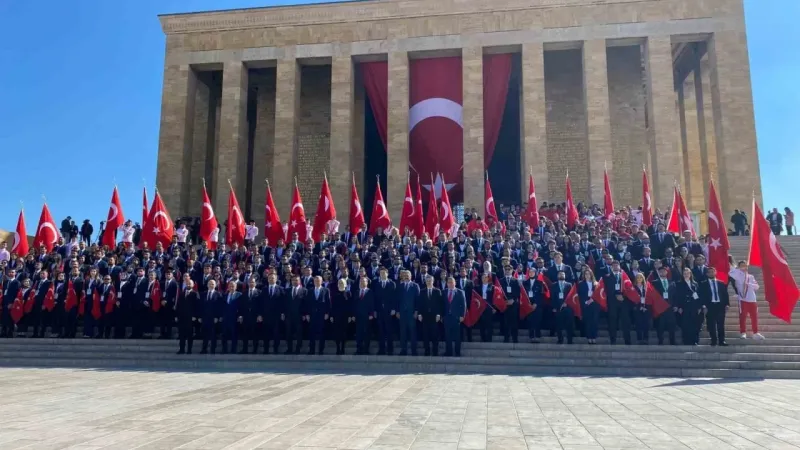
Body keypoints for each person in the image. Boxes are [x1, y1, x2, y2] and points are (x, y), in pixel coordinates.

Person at [729, 259, 763, 340]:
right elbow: (730, 272)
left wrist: (748, 284)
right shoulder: (737, 275)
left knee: (754, 317)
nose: (744, 267)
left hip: (752, 299)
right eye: (742, 266)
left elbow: (757, 287)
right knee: (743, 317)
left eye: (745, 266)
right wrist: (737, 269)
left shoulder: (750, 276)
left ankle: (755, 332)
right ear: (739, 267)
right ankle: (743, 332)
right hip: (743, 299)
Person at [699, 266, 729, 346]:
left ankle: (722, 341)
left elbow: (725, 295)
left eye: (713, 272)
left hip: (720, 306)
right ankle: (713, 340)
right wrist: (703, 306)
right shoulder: (703, 284)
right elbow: (702, 296)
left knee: (720, 324)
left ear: (715, 272)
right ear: (707, 274)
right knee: (711, 324)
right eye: (709, 272)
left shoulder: (721, 283)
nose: (711, 273)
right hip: (710, 306)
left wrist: (727, 304)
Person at [603, 261, 631, 345]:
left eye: (617, 265)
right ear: (611, 267)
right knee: (612, 321)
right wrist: (616, 295)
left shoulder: (624, 276)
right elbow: (606, 289)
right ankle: (613, 340)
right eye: (614, 265)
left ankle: (627, 340)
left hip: (623, 302)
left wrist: (623, 296)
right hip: (612, 302)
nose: (615, 267)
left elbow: (629, 288)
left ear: (619, 266)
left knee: (625, 321)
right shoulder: (607, 277)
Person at [417, 275, 442, 356]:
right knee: (425, 335)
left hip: (435, 316)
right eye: (427, 281)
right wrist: (419, 314)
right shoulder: (422, 291)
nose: (428, 282)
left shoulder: (437, 291)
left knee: (435, 335)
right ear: (425, 282)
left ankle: (435, 351)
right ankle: (427, 351)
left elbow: (440, 304)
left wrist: (439, 314)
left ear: (433, 281)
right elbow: (419, 304)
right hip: (425, 316)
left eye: (430, 281)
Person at [373, 267, 396, 355]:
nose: (382, 274)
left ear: (387, 274)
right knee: (381, 331)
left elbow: (394, 297)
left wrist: (393, 308)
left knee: (389, 330)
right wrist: (375, 310)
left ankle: (390, 349)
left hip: (389, 311)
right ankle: (381, 349)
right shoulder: (377, 284)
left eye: (384, 273)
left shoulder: (392, 284)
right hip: (379, 311)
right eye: (381, 273)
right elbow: (375, 298)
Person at [397, 270, 420, 356]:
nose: (406, 276)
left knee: (413, 332)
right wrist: (397, 311)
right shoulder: (400, 286)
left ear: (411, 276)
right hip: (402, 313)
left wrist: (416, 311)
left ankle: (414, 350)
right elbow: (397, 300)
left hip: (412, 313)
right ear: (402, 276)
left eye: (407, 275)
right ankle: (403, 350)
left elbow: (418, 300)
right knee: (403, 332)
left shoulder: (415, 286)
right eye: (404, 275)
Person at [306, 276, 331, 355]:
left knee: (321, 333)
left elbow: (328, 302)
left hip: (322, 314)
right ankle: (311, 350)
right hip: (312, 315)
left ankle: (321, 350)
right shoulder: (310, 290)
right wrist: (307, 314)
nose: (317, 282)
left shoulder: (326, 290)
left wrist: (327, 313)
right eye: (315, 281)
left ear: (321, 281)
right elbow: (307, 303)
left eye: (318, 280)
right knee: (312, 333)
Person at [653, 266, 677, 345]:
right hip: (660, 307)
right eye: (660, 271)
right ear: (658, 273)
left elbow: (675, 295)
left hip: (670, 306)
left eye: (664, 271)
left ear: (666, 272)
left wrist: (675, 305)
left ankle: (672, 341)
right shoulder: (654, 282)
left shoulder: (672, 282)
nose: (662, 272)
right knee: (660, 325)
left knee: (672, 324)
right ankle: (660, 341)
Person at [443, 276, 466, 357]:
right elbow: (441, 305)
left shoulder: (460, 292)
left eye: (452, 282)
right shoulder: (444, 292)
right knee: (447, 336)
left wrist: (462, 315)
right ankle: (448, 352)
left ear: (455, 283)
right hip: (447, 317)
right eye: (449, 282)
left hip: (456, 317)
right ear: (447, 284)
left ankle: (457, 352)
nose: (450, 284)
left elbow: (463, 305)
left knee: (457, 336)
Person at [262, 273, 283, 354]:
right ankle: (266, 350)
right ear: (268, 279)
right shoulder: (264, 289)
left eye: (273, 278)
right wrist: (260, 314)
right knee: (266, 333)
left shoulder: (280, 289)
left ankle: (276, 349)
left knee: (276, 333)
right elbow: (261, 302)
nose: (271, 279)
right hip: (266, 315)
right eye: (270, 278)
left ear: (276, 279)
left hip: (276, 315)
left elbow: (283, 302)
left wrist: (282, 313)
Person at [550, 270, 574, 344]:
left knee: (569, 324)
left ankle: (570, 340)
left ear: (565, 276)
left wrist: (567, 303)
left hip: (567, 307)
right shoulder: (554, 285)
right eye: (560, 274)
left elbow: (571, 296)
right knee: (558, 325)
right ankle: (560, 339)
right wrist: (554, 307)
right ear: (557, 276)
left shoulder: (569, 285)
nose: (561, 275)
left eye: (563, 274)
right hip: (558, 308)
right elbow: (552, 297)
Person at [499, 265, 521, 343]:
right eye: (506, 269)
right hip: (505, 304)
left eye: (509, 269)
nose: (507, 271)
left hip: (513, 304)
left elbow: (518, 292)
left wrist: (513, 300)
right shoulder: (501, 281)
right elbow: (499, 292)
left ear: (512, 270)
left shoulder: (516, 280)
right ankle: (506, 338)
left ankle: (515, 338)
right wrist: (504, 301)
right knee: (505, 322)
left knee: (514, 322)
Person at [285, 275, 306, 354]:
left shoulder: (304, 290)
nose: (295, 282)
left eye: (296, 280)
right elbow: (284, 303)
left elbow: (306, 304)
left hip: (299, 316)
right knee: (288, 333)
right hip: (289, 316)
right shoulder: (287, 290)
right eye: (293, 280)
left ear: (299, 281)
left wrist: (304, 314)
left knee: (299, 333)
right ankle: (289, 349)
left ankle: (298, 349)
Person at [577, 268, 599, 345]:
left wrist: (592, 299)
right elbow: (580, 295)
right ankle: (589, 338)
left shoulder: (596, 283)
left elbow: (598, 294)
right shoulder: (581, 284)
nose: (587, 275)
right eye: (586, 274)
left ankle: (594, 337)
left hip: (594, 304)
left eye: (588, 274)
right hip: (586, 305)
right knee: (588, 322)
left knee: (594, 321)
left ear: (591, 275)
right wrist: (586, 301)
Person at [175, 279, 198, 354]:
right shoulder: (181, 294)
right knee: (181, 334)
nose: (188, 285)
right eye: (187, 283)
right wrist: (177, 316)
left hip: (190, 318)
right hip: (182, 317)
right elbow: (178, 305)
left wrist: (194, 316)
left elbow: (197, 306)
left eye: (190, 283)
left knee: (189, 335)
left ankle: (189, 350)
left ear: (193, 285)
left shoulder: (195, 294)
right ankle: (181, 349)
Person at [240, 275, 261, 354]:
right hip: (246, 316)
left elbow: (261, 305)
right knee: (245, 333)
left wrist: (259, 315)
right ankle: (244, 349)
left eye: (253, 282)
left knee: (255, 333)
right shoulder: (244, 293)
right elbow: (242, 305)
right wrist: (241, 315)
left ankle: (255, 349)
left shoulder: (259, 292)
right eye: (250, 282)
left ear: (255, 283)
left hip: (255, 316)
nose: (251, 283)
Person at [200, 279, 221, 354]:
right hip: (205, 317)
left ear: (215, 285)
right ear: (207, 285)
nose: (211, 285)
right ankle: (204, 349)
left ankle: (212, 349)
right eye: (210, 284)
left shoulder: (218, 294)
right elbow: (200, 306)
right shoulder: (203, 294)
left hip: (213, 318)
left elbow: (219, 307)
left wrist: (217, 317)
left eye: (212, 284)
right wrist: (200, 316)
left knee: (213, 335)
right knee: (205, 334)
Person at [354, 276, 374, 355]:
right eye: (361, 281)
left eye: (364, 281)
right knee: (359, 333)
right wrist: (353, 315)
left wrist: (371, 314)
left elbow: (372, 303)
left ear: (367, 283)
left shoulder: (370, 292)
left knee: (366, 333)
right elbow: (354, 304)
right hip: (358, 316)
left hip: (367, 316)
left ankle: (366, 349)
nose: (362, 283)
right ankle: (359, 349)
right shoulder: (357, 291)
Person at [331, 278, 351, 355]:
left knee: (344, 332)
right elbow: (332, 305)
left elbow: (350, 305)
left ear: (345, 284)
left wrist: (350, 316)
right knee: (337, 332)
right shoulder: (334, 293)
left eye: (342, 283)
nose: (340, 284)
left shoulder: (348, 293)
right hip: (336, 316)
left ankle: (342, 348)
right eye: (339, 283)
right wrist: (332, 316)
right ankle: (338, 348)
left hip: (345, 316)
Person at [220, 280, 241, 354]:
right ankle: (224, 350)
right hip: (225, 318)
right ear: (228, 287)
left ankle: (233, 350)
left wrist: (240, 316)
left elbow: (241, 307)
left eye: (233, 286)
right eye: (230, 286)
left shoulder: (239, 295)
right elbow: (222, 307)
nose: (231, 287)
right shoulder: (225, 295)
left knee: (234, 335)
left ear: (236, 287)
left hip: (234, 318)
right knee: (224, 335)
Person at [631, 273, 650, 345]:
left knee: (646, 324)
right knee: (638, 324)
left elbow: (649, 298)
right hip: (637, 308)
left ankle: (645, 339)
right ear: (636, 279)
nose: (639, 279)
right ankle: (639, 339)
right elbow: (632, 299)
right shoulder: (633, 288)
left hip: (646, 308)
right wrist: (639, 307)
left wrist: (645, 307)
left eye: (640, 277)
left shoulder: (646, 287)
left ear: (643, 279)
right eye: (638, 277)